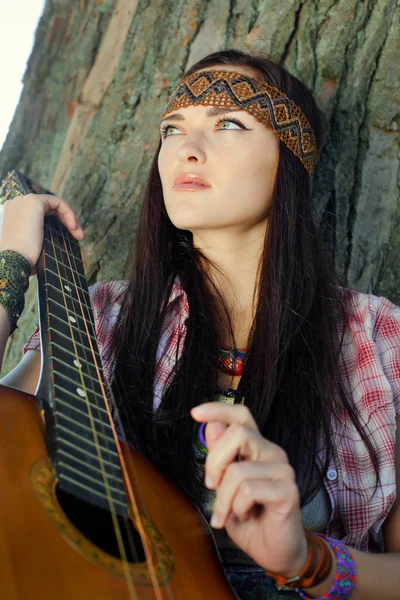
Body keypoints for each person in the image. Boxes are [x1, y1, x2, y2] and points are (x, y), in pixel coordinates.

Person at [0, 49, 399, 600]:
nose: (187, 149)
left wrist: (310, 560)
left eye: (228, 123)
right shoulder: (104, 317)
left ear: (290, 158)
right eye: (172, 129)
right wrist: (11, 261)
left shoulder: (378, 339)